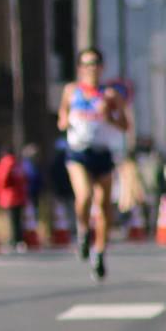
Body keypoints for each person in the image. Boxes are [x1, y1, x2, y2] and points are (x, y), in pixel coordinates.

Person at [58, 47, 130, 280]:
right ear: (80, 68)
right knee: (85, 196)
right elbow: (62, 118)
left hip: (103, 153)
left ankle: (99, 252)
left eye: (96, 63)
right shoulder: (71, 91)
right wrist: (66, 121)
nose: (92, 68)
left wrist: (108, 115)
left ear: (102, 67)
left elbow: (125, 126)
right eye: (87, 64)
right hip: (78, 153)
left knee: (105, 207)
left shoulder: (111, 94)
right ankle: (82, 230)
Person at [0, 145, 28, 249]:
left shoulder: (5, 163)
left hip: (9, 196)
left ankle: (14, 240)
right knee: (17, 220)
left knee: (12, 220)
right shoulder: (17, 163)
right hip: (19, 195)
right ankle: (19, 240)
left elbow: (2, 179)